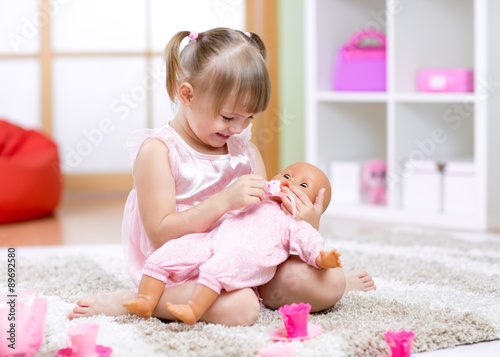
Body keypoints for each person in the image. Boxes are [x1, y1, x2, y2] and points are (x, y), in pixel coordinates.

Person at [67, 28, 375, 326]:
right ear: (187, 94)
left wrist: (306, 223)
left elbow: (266, 222)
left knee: (331, 282)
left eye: (248, 117)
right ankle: (135, 299)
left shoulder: (245, 151)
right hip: (181, 268)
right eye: (229, 117)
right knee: (242, 309)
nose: (239, 128)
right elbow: (161, 234)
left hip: (241, 260)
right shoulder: (158, 152)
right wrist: (223, 201)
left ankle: (255, 287)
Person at [123, 162, 342, 324]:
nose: (290, 182)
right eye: (287, 174)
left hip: (242, 255)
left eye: (303, 185)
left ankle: (193, 308)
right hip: (212, 238)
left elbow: (307, 240)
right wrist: (233, 198)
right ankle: (144, 299)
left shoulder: (291, 224)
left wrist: (320, 253)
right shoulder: (256, 200)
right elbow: (226, 213)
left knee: (223, 271)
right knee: (173, 252)